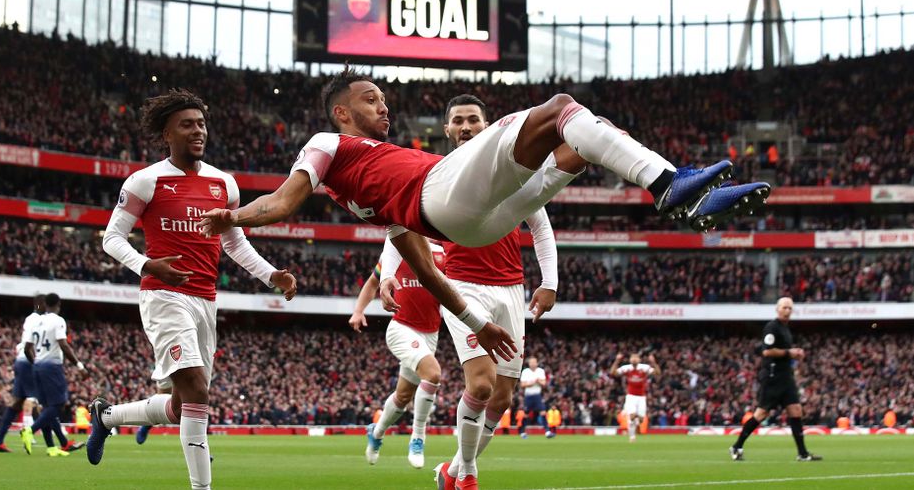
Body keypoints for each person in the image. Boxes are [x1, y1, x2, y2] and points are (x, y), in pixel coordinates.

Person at [198, 67, 770, 375]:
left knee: (576, 143)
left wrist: (476, 320)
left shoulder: (372, 193)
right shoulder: (329, 142)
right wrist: (235, 216)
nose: (384, 107)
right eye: (372, 100)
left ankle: (685, 194)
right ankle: (672, 185)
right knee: (560, 107)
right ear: (343, 112)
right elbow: (283, 201)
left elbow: (426, 268)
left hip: (469, 226)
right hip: (442, 197)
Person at [91, 89, 298, 490]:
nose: (197, 131)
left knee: (183, 403)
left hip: (206, 300)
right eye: (187, 124)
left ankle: (106, 416)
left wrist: (272, 275)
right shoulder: (146, 180)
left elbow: (235, 244)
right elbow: (112, 238)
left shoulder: (224, 184)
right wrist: (146, 264)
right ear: (167, 132)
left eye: (201, 124)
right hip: (162, 296)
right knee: (199, 390)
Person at [379, 94, 566, 490]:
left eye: (473, 120)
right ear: (446, 130)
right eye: (458, 121)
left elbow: (541, 227)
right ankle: (467, 475)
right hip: (462, 288)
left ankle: (450, 471)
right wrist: (387, 274)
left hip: (512, 290)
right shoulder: (434, 173)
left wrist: (549, 282)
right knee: (480, 384)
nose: (465, 126)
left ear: (486, 125)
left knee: (500, 400)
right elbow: (400, 221)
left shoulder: (511, 171)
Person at [349, 238, 446, 469]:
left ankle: (377, 432)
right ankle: (418, 437)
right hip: (401, 328)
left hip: (430, 333)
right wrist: (358, 311)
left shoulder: (446, 253)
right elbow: (374, 282)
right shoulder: (400, 247)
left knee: (402, 397)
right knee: (432, 374)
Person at [729, 297, 822, 462]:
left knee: (796, 411)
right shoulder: (772, 327)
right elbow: (767, 351)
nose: (787, 311)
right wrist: (789, 353)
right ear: (777, 309)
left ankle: (802, 453)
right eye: (785, 308)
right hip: (773, 377)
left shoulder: (786, 329)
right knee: (761, 413)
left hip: (786, 376)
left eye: (790, 308)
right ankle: (737, 446)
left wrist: (793, 354)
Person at [20, 293, 86, 457]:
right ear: (58, 304)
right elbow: (63, 344)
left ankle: (51, 447)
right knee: (58, 405)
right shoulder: (58, 321)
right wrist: (79, 365)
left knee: (46, 408)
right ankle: (30, 430)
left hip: (37, 366)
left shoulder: (36, 321)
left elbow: (27, 347)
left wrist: (35, 362)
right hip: (52, 367)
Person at [0, 295, 44, 453]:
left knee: (15, 404)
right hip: (28, 362)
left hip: (20, 362)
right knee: (45, 401)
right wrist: (37, 364)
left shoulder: (30, 319)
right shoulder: (39, 320)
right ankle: (41, 437)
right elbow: (31, 345)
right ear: (40, 304)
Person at [610, 352, 661, 443]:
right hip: (631, 397)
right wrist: (617, 360)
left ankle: (637, 421)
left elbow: (657, 373)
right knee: (632, 416)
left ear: (639, 360)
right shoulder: (627, 368)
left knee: (641, 419)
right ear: (630, 359)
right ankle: (632, 437)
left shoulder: (644, 368)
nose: (634, 359)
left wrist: (653, 362)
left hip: (641, 398)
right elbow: (612, 373)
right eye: (632, 357)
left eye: (636, 357)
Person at [518, 356, 549, 440]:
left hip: (537, 395)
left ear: (537, 363)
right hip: (528, 395)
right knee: (526, 414)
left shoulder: (540, 371)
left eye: (534, 362)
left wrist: (538, 381)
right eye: (531, 362)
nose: (533, 364)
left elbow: (544, 383)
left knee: (543, 412)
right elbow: (522, 385)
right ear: (529, 363)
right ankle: (522, 432)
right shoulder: (525, 371)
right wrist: (532, 383)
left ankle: (547, 431)